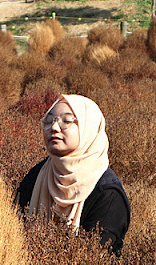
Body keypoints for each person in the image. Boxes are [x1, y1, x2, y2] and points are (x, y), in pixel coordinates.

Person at [16, 95, 131, 254]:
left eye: (67, 121)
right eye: (49, 120)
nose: (54, 127)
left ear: (88, 128)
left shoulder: (108, 193)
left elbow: (98, 261)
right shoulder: (39, 174)